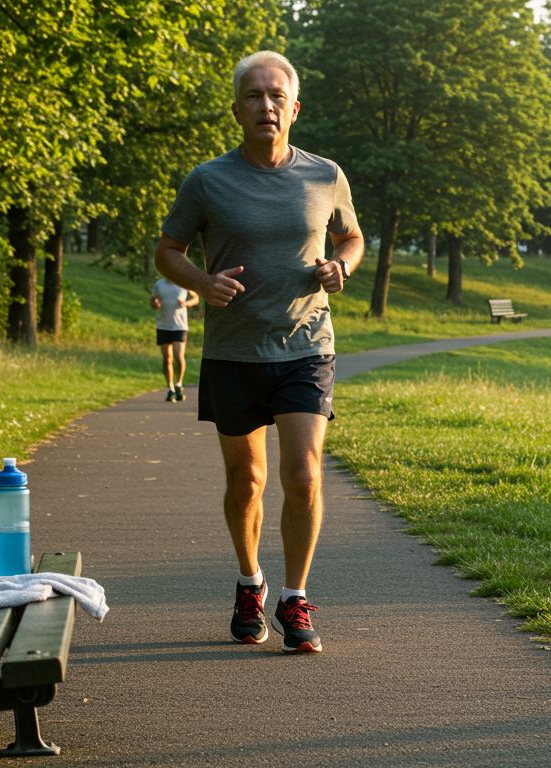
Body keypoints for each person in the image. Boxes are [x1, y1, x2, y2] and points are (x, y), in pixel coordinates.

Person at [153, 50, 364, 653]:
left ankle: (294, 598)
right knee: (246, 481)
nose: (266, 105)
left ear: (294, 108)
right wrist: (200, 282)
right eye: (254, 95)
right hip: (234, 351)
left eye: (277, 96)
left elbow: (352, 235)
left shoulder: (324, 175)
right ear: (238, 108)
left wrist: (339, 265)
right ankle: (251, 583)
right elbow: (168, 250)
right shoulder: (208, 180)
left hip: (305, 344)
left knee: (303, 475)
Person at [149, 277, 199, 401]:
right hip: (163, 326)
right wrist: (155, 304)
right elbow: (153, 301)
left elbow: (196, 298)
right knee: (167, 358)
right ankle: (170, 388)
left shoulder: (184, 282)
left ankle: (179, 384)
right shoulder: (159, 284)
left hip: (180, 326)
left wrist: (186, 303)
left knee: (178, 356)